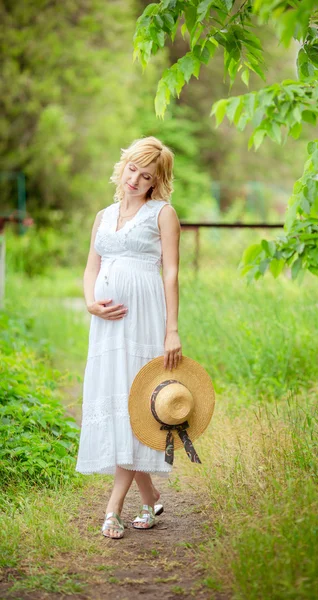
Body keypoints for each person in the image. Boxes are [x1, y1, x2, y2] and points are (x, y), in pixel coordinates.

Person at [75, 136, 182, 538]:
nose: (136, 178)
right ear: (123, 166)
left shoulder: (163, 214)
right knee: (119, 404)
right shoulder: (103, 215)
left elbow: (170, 273)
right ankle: (151, 497)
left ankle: (112, 509)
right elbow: (91, 268)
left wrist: (172, 330)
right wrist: (90, 302)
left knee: (136, 406)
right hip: (106, 325)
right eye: (132, 169)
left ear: (157, 181)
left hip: (144, 321)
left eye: (147, 175)